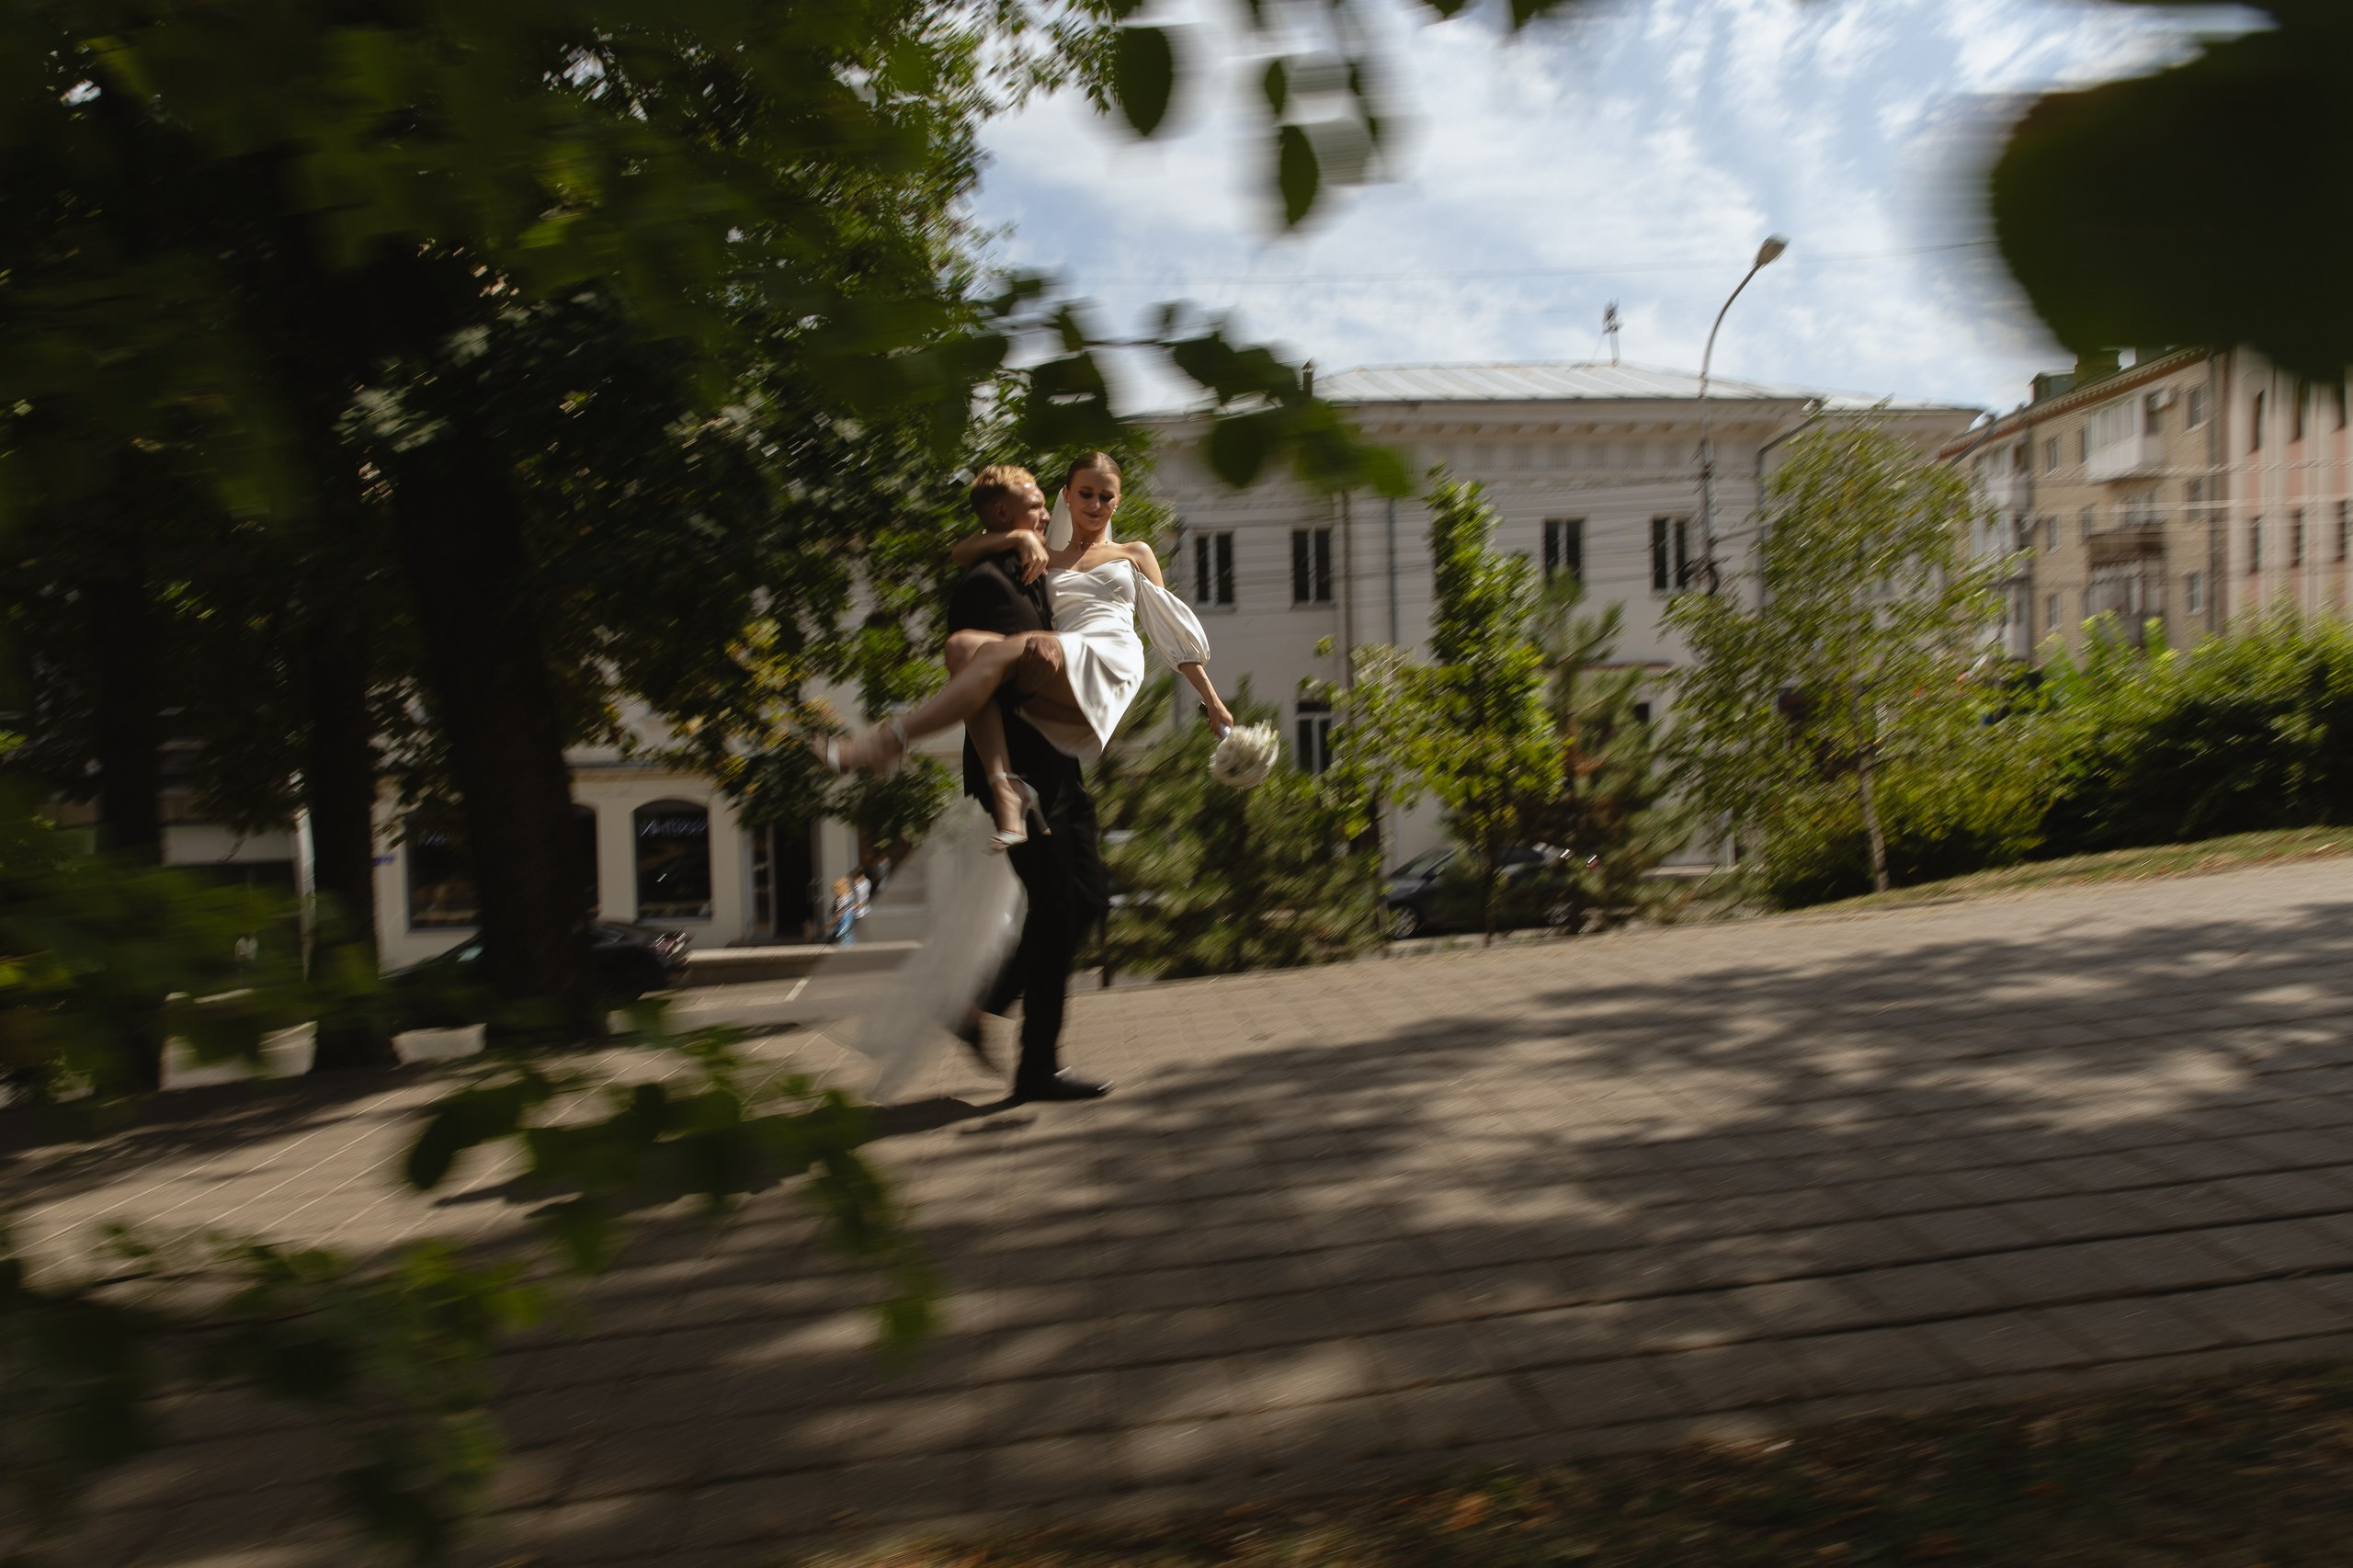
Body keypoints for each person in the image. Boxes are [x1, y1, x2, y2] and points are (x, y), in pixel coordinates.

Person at [827, 876, 857, 945]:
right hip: (846, 916)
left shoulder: (844, 898)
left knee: (844, 932)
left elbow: (840, 913)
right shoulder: (848, 895)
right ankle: (849, 944)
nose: (835, 892)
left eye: (835, 890)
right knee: (846, 932)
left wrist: (831, 923)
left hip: (845, 917)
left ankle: (848, 946)